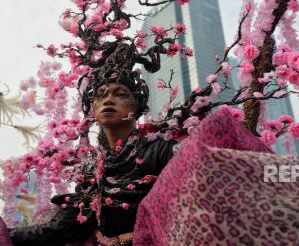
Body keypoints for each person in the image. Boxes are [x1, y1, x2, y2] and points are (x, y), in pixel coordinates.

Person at [9, 44, 176, 246]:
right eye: (101, 95)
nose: (109, 100)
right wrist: (10, 234)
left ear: (137, 105)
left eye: (120, 94)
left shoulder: (161, 149)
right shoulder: (92, 165)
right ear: (93, 108)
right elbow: (70, 227)